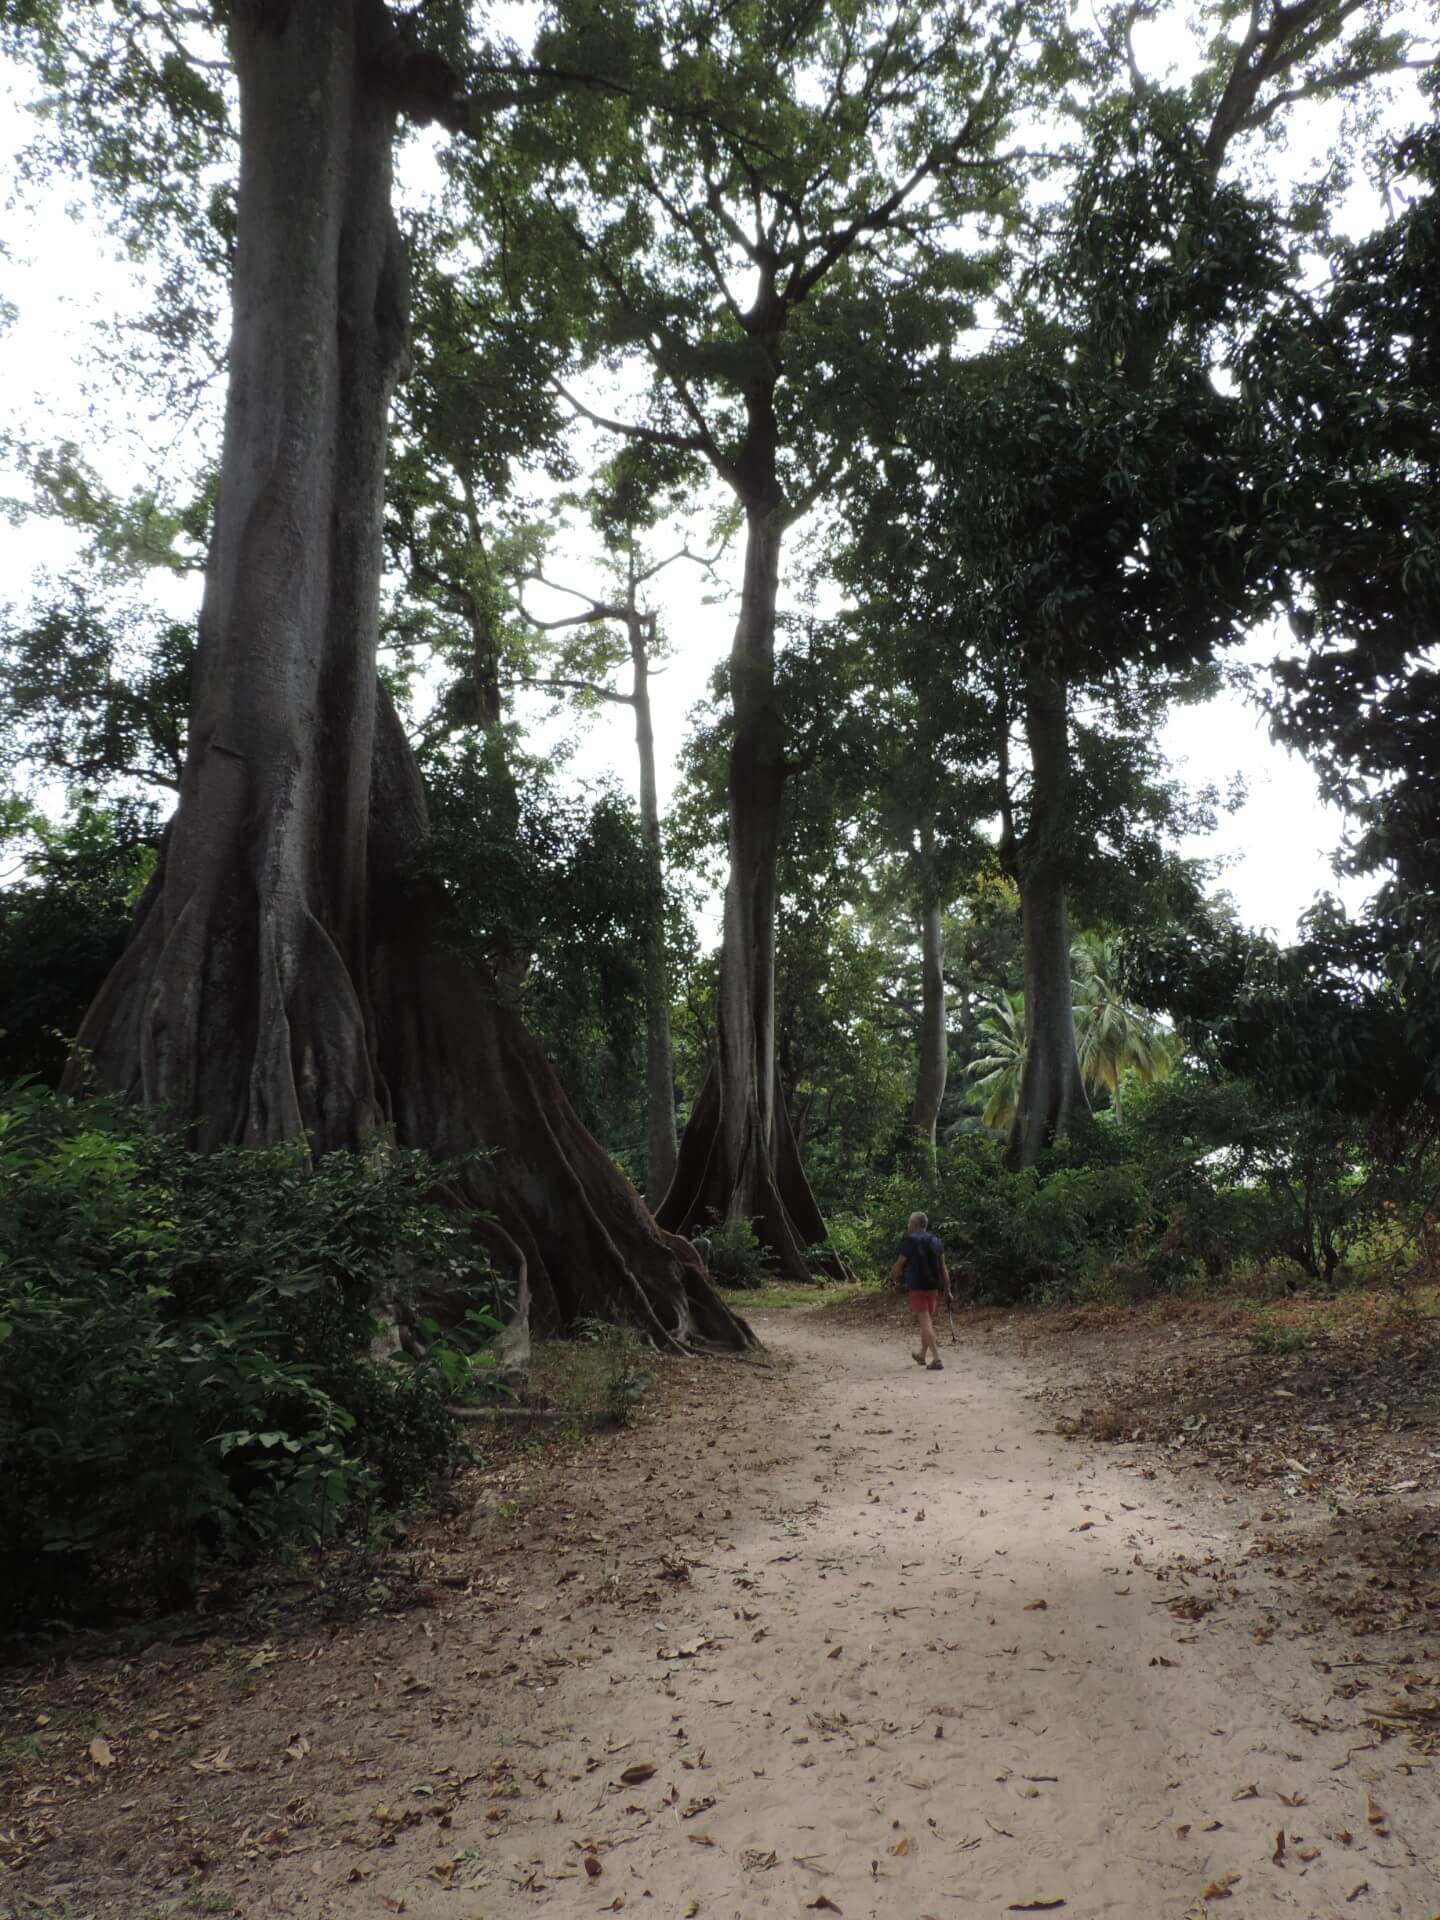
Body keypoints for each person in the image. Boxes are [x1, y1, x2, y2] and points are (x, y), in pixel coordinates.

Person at [888, 1210, 951, 1371]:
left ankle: (936, 1359)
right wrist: (947, 1290)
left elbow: (899, 1264)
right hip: (933, 1287)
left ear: (915, 1224)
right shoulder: (935, 1241)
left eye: (909, 1223)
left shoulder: (909, 1241)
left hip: (917, 1287)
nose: (907, 1226)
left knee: (925, 1322)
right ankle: (922, 1354)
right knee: (927, 1322)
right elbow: (944, 1268)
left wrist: (892, 1280)